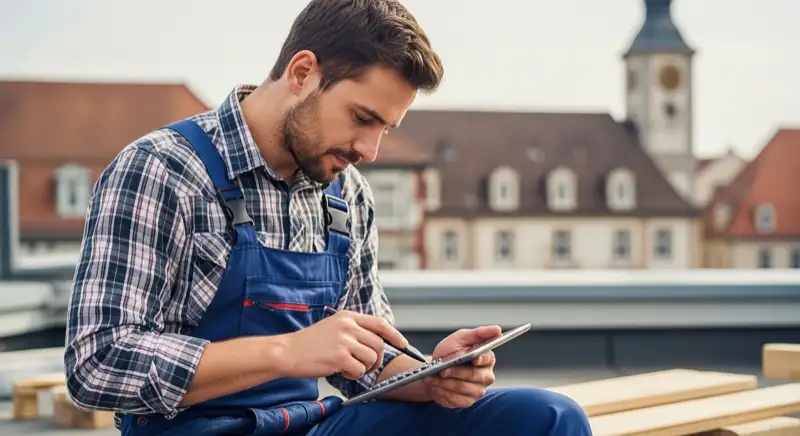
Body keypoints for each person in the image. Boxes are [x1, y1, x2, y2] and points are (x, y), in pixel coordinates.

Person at [64, 1, 592, 435]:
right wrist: (287, 352)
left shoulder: (347, 195)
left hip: (314, 427)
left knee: (548, 419)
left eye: (385, 127)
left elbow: (363, 362)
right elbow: (96, 364)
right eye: (363, 118)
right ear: (302, 73)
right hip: (195, 431)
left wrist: (432, 374)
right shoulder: (160, 169)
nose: (370, 148)